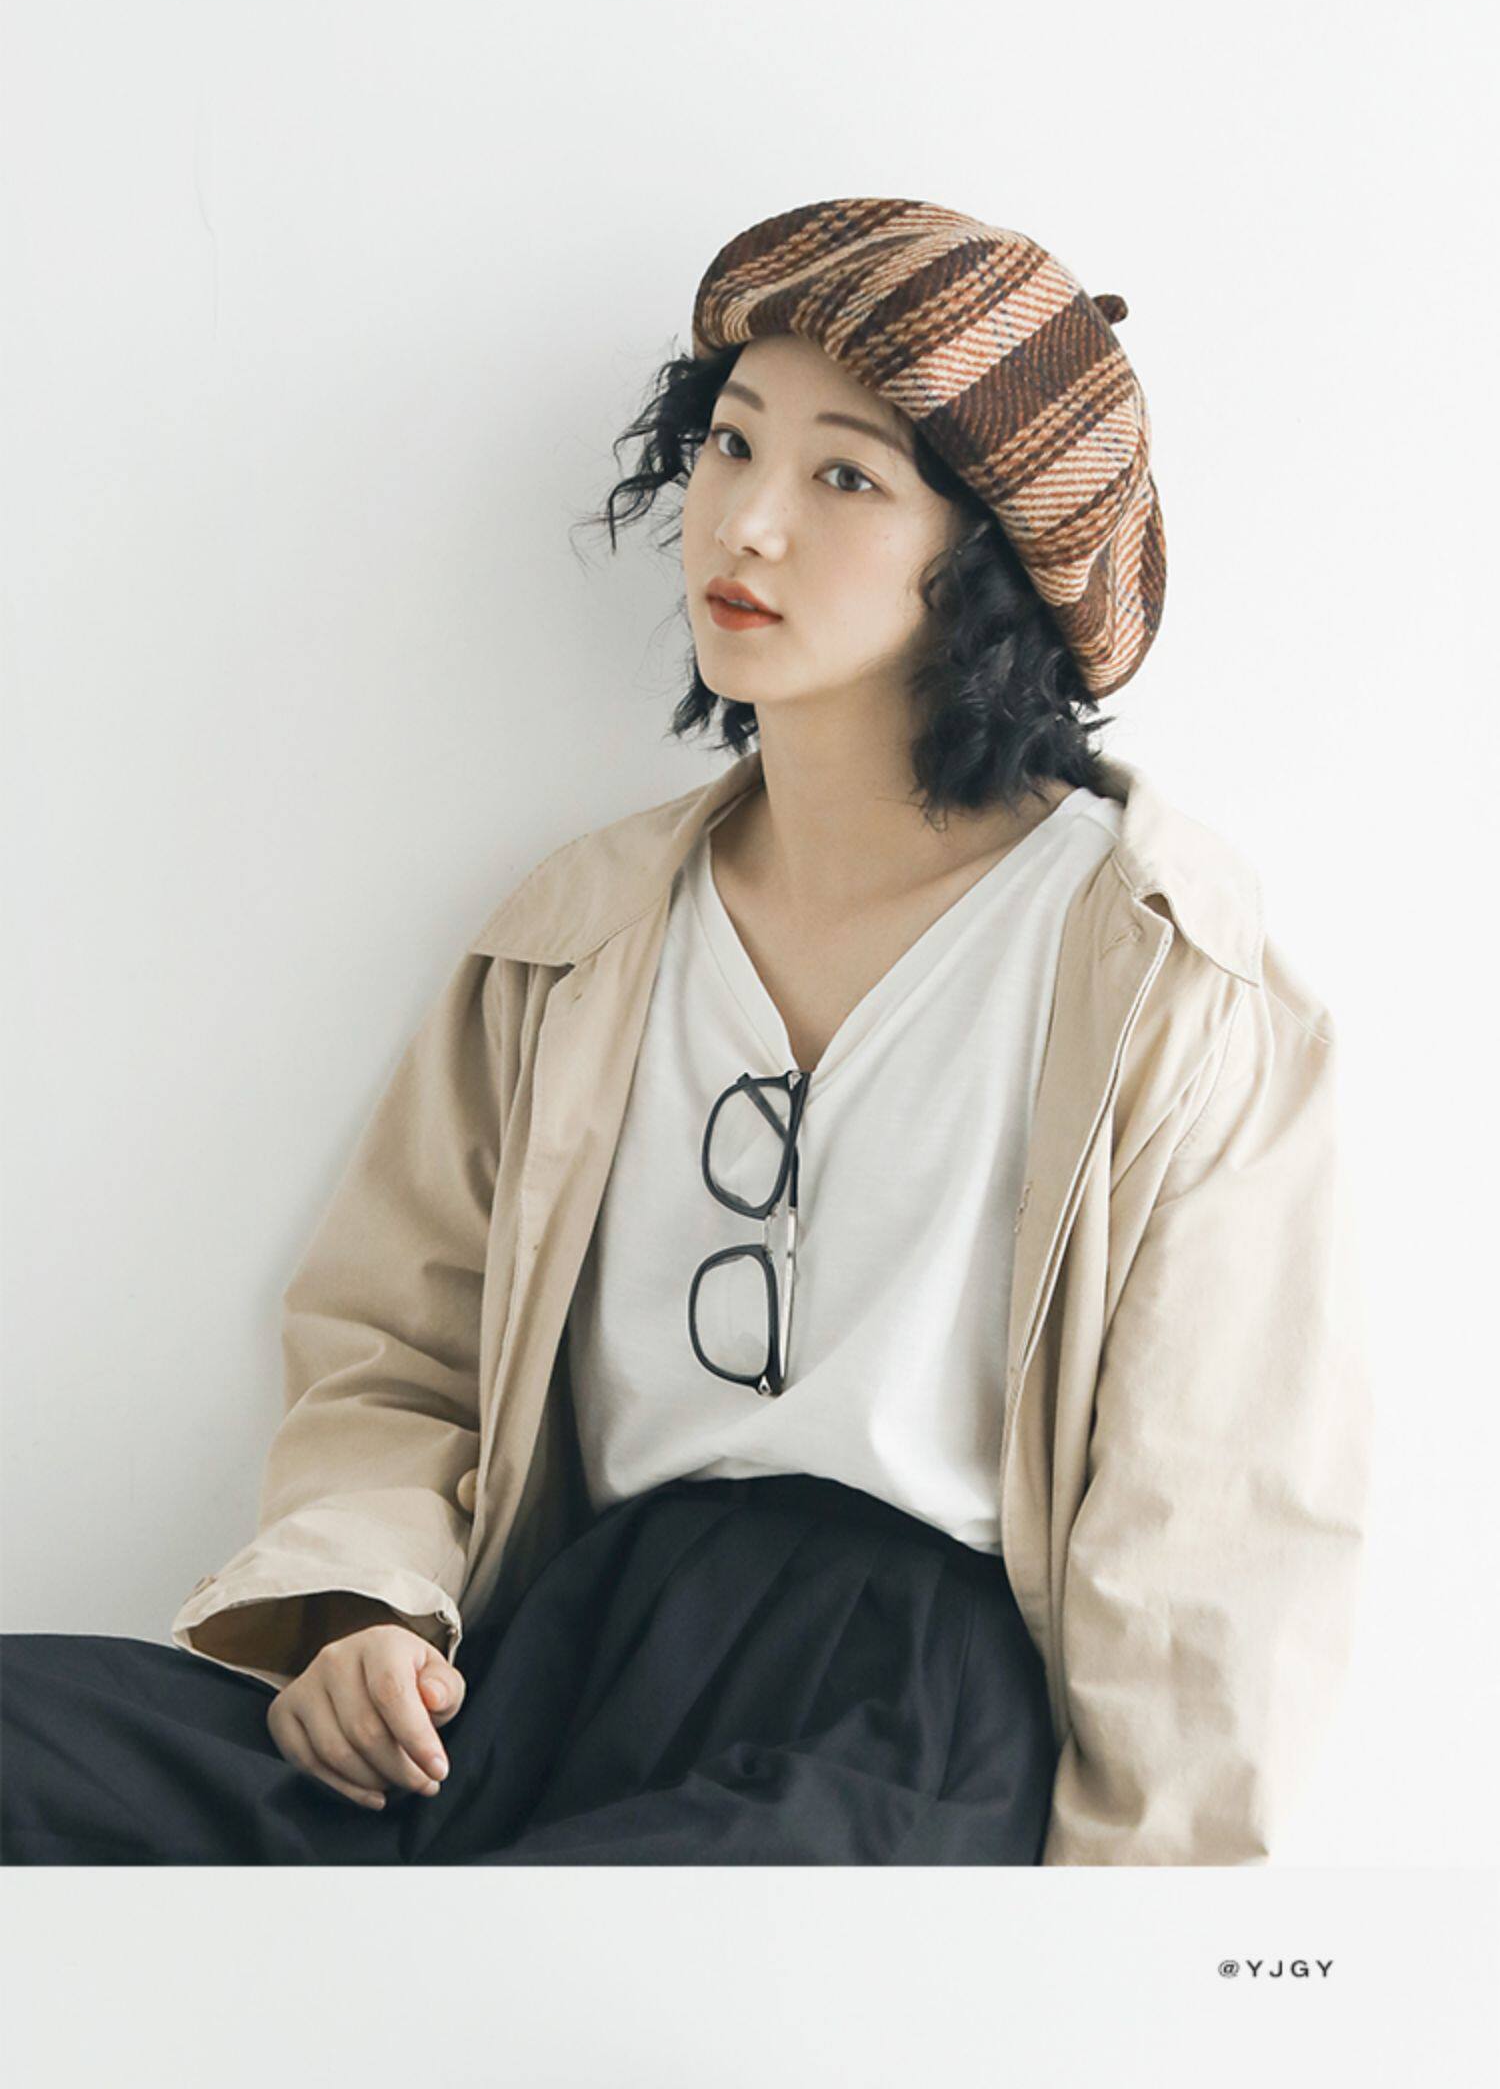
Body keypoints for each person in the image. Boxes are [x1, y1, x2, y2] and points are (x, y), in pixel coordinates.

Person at [0, 196, 1373, 1866]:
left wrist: (1119, 1955)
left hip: (902, 1715)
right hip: (559, 1662)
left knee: (561, 1939)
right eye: (731, 443)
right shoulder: (577, 933)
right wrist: (367, 1603)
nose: (749, 521)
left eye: (845, 477)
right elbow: (402, 1348)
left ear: (992, 558)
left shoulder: (1162, 968)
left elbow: (1212, 1534)